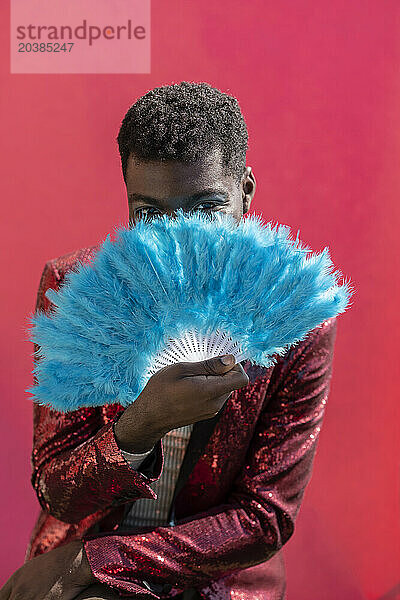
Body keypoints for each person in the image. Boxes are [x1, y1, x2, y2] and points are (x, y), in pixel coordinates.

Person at [0, 82, 338, 600]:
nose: (177, 241)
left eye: (205, 209)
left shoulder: (297, 320)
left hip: (213, 582)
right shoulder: (73, 289)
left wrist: (99, 563)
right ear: (127, 199)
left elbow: (263, 518)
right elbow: (60, 495)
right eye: (150, 213)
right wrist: (142, 423)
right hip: (79, 561)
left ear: (246, 192)